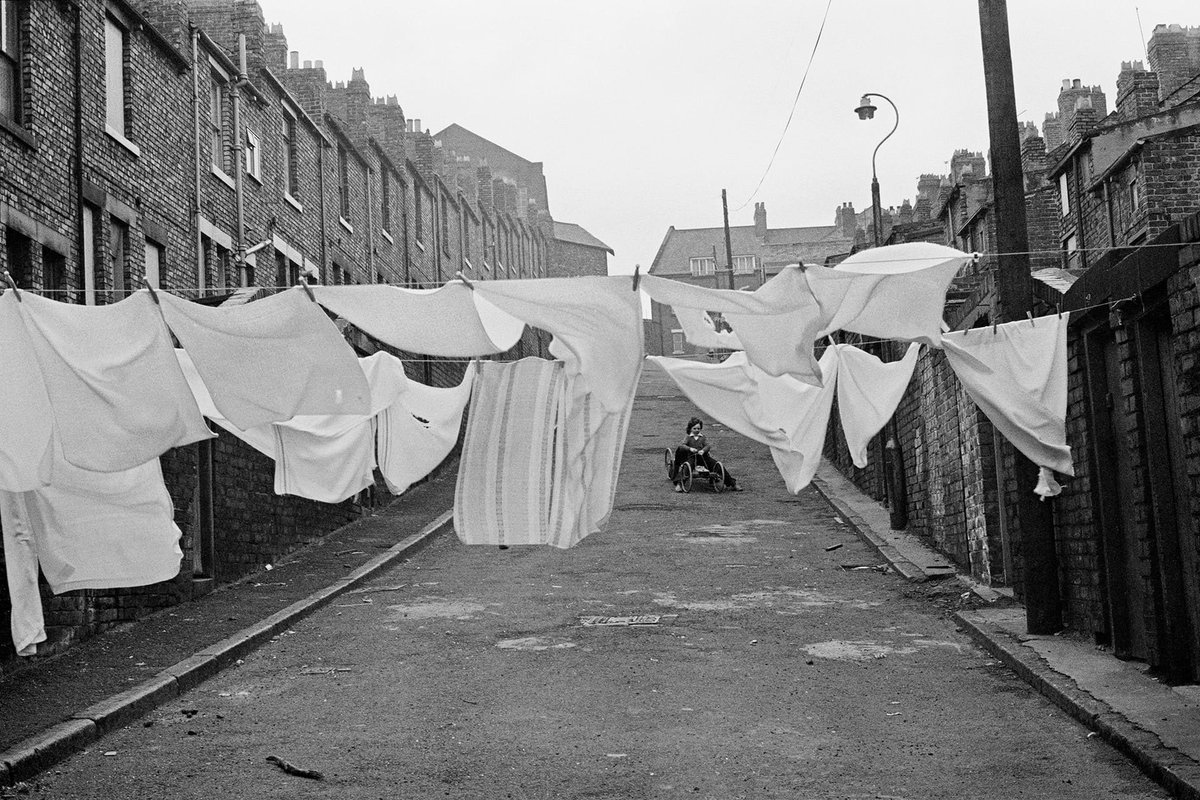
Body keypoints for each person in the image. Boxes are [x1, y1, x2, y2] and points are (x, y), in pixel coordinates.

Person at [673, 417, 742, 492]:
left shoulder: (702, 437)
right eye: (694, 428)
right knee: (687, 468)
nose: (697, 430)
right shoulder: (688, 437)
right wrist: (690, 449)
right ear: (690, 429)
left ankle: (732, 484)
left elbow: (708, 446)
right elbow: (682, 446)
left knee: (717, 466)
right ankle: (679, 484)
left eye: (698, 429)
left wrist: (703, 450)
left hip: (703, 457)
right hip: (692, 457)